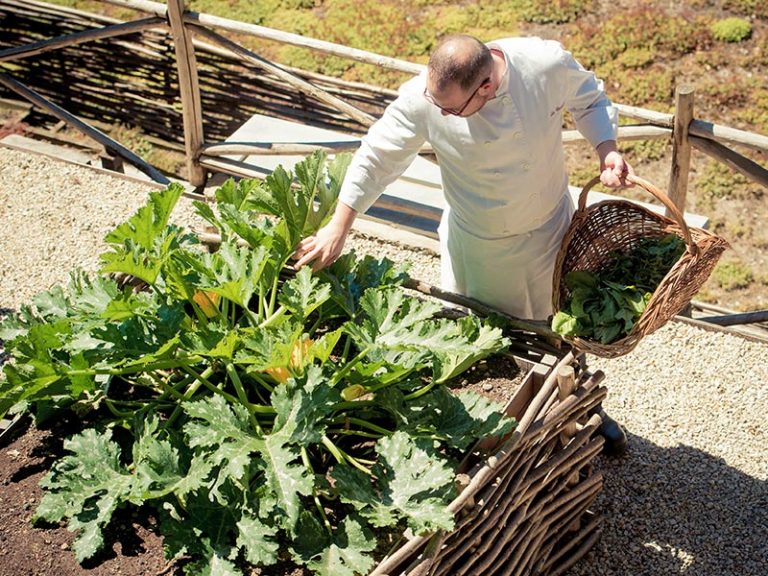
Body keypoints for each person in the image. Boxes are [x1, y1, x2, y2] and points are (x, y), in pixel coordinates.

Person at [293, 33, 633, 323]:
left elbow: (590, 100)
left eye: (451, 110)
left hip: (547, 234)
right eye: (435, 102)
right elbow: (377, 156)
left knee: (556, 323)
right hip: (477, 246)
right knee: (474, 328)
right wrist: (339, 226)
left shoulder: (544, 64)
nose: (442, 113)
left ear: (485, 85)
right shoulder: (425, 98)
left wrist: (607, 150)